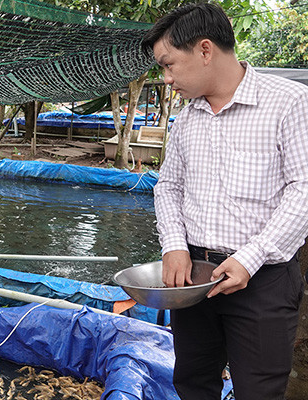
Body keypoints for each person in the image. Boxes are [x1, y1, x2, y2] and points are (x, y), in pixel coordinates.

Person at [141, 3, 308, 400]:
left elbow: (303, 189)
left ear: (204, 50)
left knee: (258, 390)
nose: (166, 78)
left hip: (263, 279)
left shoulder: (289, 102)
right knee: (193, 382)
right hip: (194, 275)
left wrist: (249, 258)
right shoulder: (189, 116)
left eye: (168, 65)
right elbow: (169, 187)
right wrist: (175, 246)